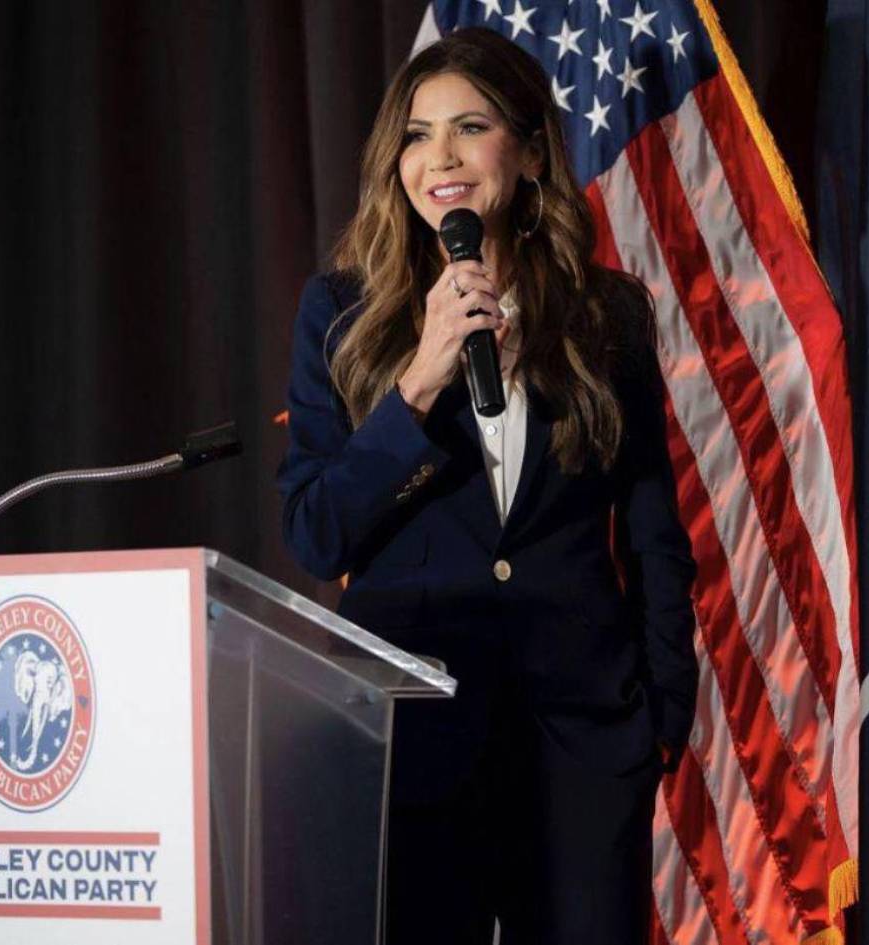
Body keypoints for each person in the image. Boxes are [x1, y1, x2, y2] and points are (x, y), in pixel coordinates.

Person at [276, 27, 696, 945]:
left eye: (470, 127)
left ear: (531, 152)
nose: (441, 158)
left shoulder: (606, 316)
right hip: (414, 744)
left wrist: (661, 715)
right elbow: (316, 531)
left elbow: (655, 534)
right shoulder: (340, 314)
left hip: (581, 744)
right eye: (417, 135)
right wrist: (417, 385)